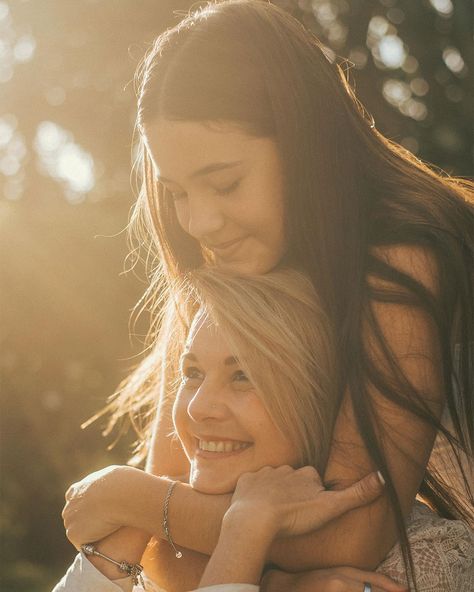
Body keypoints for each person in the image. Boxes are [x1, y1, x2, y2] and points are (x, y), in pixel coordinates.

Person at [61, 0, 473, 590]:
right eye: (176, 191)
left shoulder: (401, 255)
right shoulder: (221, 258)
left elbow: (358, 535)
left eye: (225, 183)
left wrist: (127, 495)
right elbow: (170, 545)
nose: (200, 220)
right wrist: (276, 579)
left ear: (306, 146)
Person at [58, 269, 473, 591]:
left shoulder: (422, 563)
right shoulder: (159, 541)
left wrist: (245, 529)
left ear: (322, 400)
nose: (200, 407)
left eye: (243, 375)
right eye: (193, 371)